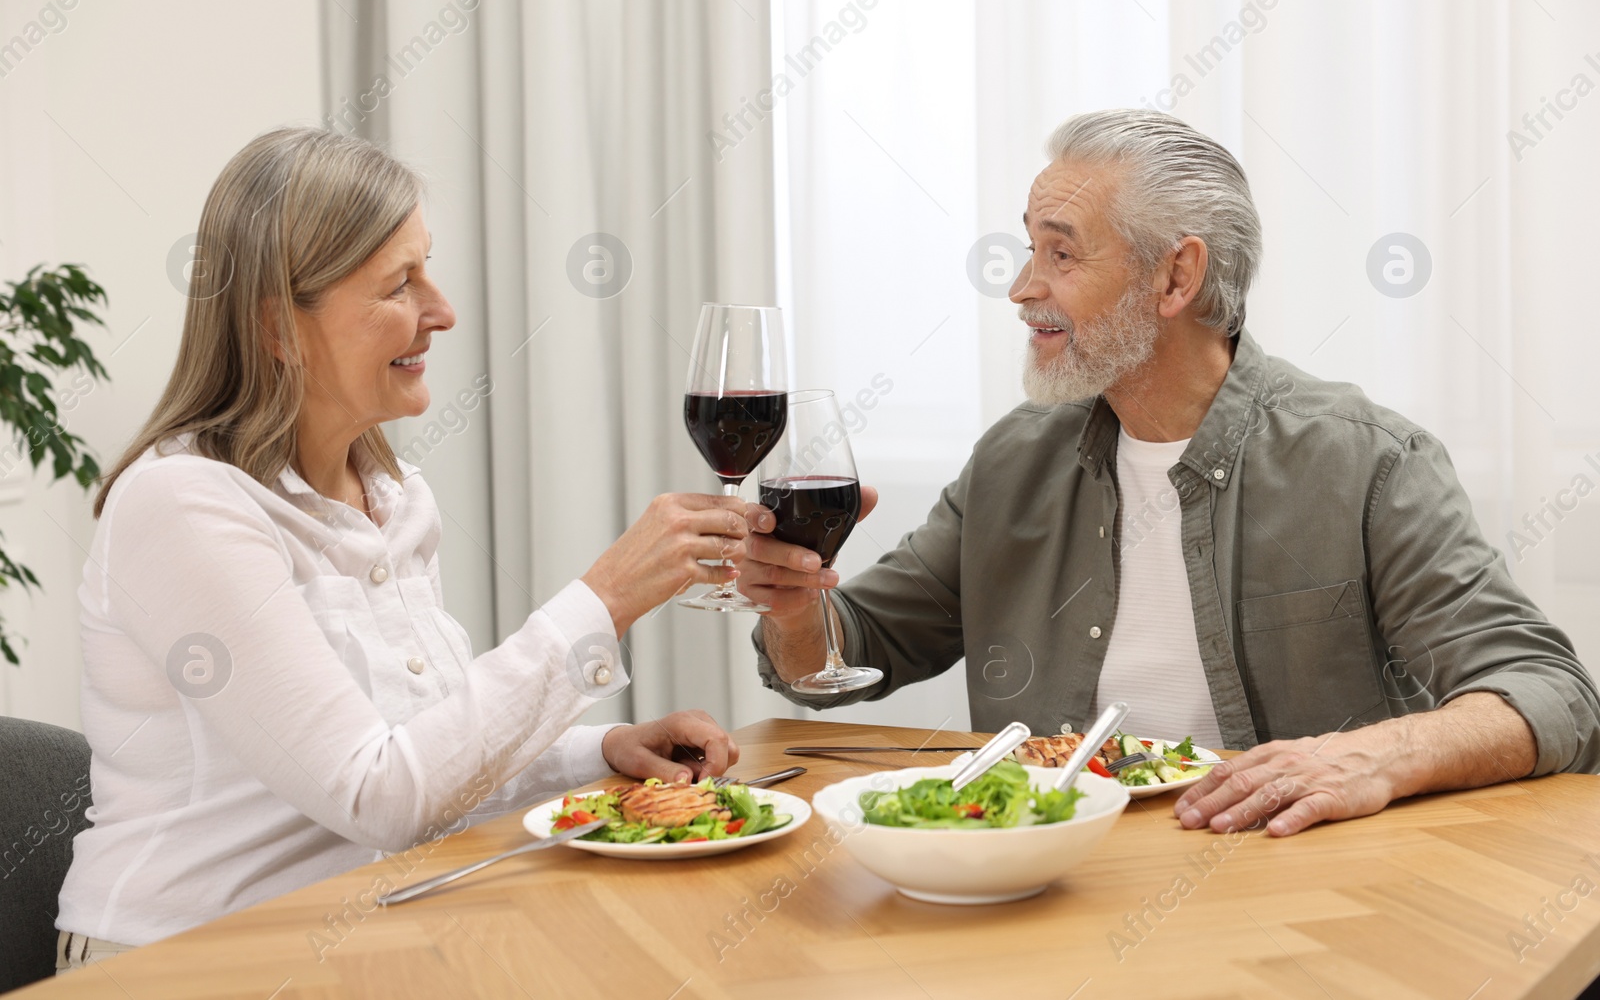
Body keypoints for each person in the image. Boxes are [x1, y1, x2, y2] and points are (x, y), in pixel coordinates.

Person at [740, 108, 1600, 838]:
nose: (1021, 286)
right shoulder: (1016, 459)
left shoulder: (1368, 461)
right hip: (1058, 879)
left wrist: (1372, 754)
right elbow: (850, 651)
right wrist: (792, 607)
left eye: (1061, 254)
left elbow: (1552, 694)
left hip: (1296, 887)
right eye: (1027, 248)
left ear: (1176, 276)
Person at [54, 127, 751, 968]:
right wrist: (604, 599)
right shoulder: (183, 507)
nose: (442, 311)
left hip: (360, 937)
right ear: (279, 327)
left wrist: (595, 751)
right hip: (188, 961)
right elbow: (379, 794)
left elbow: (423, 753)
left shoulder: (391, 497)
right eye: (399, 284)